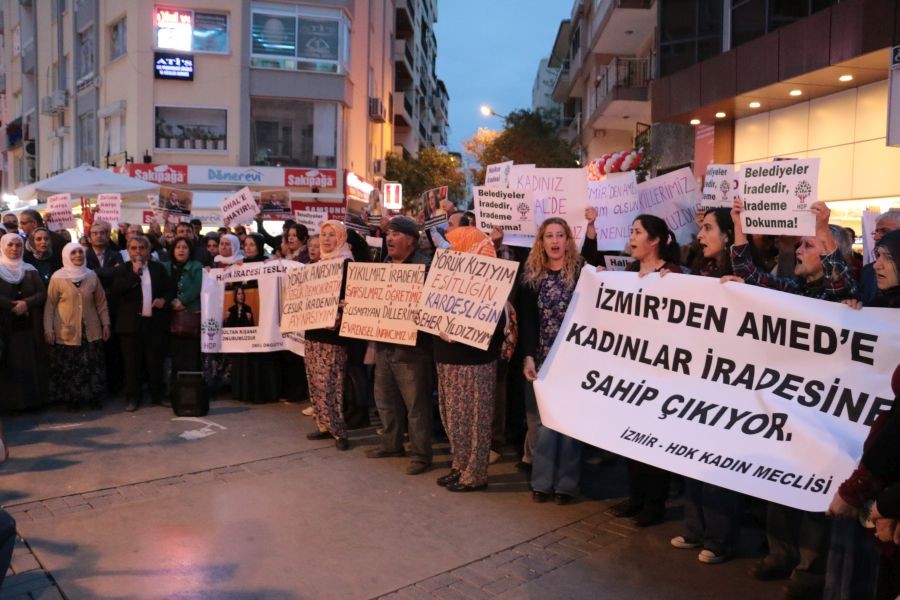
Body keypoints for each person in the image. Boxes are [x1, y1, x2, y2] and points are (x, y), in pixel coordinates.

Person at [729, 199, 856, 599]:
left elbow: (840, 281)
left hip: (822, 411)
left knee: (811, 486)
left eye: (807, 246)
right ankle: (779, 553)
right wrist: (738, 225)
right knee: (778, 479)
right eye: (799, 246)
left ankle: (809, 569)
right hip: (786, 405)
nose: (798, 251)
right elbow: (751, 275)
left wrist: (823, 227)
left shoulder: (842, 296)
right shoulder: (795, 289)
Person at [667, 208, 744, 564]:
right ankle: (695, 528)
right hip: (696, 376)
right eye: (700, 228)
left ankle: (719, 538)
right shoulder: (700, 270)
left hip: (728, 382)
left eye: (708, 228)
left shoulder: (741, 272)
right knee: (692, 454)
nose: (700, 235)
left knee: (719, 460)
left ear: (728, 235)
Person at [605, 214, 682, 526]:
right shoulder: (629, 271)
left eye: (637, 232)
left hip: (660, 373)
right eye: (631, 231)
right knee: (632, 437)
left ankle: (655, 503)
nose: (631, 237)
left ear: (655, 240)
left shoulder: (673, 275)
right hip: (631, 369)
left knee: (654, 438)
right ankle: (636, 497)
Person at [433, 225, 506, 492]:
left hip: (475, 360)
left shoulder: (491, 279)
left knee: (475, 420)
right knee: (453, 418)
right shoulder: (443, 276)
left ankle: (474, 474)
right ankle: (459, 465)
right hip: (447, 358)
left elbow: (495, 325)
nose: (450, 252)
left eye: (456, 246)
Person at [520, 217, 584, 505]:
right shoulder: (532, 276)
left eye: (560, 235)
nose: (555, 241)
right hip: (544, 358)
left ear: (568, 240)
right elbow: (528, 321)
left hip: (575, 361)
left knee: (570, 423)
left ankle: (566, 486)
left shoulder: (583, 273)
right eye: (549, 236)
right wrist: (529, 356)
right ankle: (542, 483)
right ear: (541, 242)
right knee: (545, 424)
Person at [366, 216, 434, 475]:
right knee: (385, 399)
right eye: (388, 234)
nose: (389, 238)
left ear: (411, 240)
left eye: (396, 234)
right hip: (385, 344)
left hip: (413, 349)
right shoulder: (384, 264)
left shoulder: (425, 268)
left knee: (416, 405)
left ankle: (421, 454)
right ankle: (391, 444)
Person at [303, 220, 354, 451]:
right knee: (315, 381)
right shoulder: (317, 265)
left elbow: (351, 299)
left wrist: (339, 314)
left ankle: (338, 431)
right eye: (323, 234)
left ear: (342, 238)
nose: (326, 239)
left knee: (332, 382)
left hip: (333, 335)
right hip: (313, 331)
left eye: (332, 235)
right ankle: (323, 424)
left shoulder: (347, 264)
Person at [110, 235, 174, 412]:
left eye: (141, 248)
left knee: (155, 362)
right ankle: (133, 398)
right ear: (128, 251)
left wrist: (163, 300)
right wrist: (134, 274)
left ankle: (158, 395)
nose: (138, 251)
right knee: (132, 365)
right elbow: (116, 291)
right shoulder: (122, 270)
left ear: (148, 250)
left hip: (154, 325)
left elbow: (169, 290)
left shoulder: (158, 269)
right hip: (130, 326)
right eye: (134, 248)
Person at [43, 243, 110, 411]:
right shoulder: (58, 278)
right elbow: (50, 306)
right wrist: (48, 329)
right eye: (73, 253)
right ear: (66, 255)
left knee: (92, 363)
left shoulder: (91, 275)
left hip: (91, 329)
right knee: (71, 365)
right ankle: (73, 400)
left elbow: (101, 303)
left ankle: (94, 397)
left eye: (80, 252)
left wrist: (106, 323)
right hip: (67, 331)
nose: (78, 255)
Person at [229, 233, 281, 404]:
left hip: (264, 316)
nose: (248, 248)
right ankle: (244, 392)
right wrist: (233, 270)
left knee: (262, 355)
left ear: (259, 246)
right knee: (245, 355)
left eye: (252, 244)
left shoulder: (268, 262)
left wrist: (271, 265)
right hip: (244, 327)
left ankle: (263, 392)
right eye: (246, 244)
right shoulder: (240, 265)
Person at [0, 233, 48, 411]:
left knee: (30, 361)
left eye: (18, 245)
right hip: (6, 326)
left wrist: (27, 303)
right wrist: (13, 306)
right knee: (10, 363)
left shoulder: (29, 269)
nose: (14, 249)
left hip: (30, 326)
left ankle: (33, 402)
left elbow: (43, 293)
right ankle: (12, 404)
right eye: (10, 245)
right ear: (2, 247)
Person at [164, 237, 203, 381]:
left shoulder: (196, 266)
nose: (181, 250)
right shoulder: (165, 266)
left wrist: (182, 301)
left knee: (191, 354)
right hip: (171, 317)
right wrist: (170, 302)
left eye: (185, 247)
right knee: (175, 355)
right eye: (178, 247)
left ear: (190, 250)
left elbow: (198, 286)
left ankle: (192, 387)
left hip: (190, 317)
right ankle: (176, 389)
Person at [861, 210, 900, 304]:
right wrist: (855, 304)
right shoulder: (868, 271)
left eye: (884, 231)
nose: (876, 237)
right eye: (876, 232)